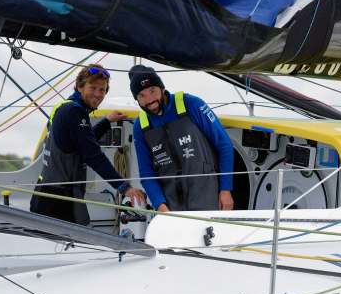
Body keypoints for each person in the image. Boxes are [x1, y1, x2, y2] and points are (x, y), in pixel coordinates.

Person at [30, 65, 146, 225]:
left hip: (45, 194)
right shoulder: (75, 112)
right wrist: (124, 188)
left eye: (102, 90)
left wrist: (106, 121)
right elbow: (93, 155)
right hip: (60, 201)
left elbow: (83, 141)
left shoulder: (64, 107)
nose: (97, 94)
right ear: (79, 87)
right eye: (93, 88)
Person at [130, 65, 234, 212]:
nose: (150, 100)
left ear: (162, 89)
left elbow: (224, 145)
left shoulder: (191, 104)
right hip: (170, 204)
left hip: (207, 196)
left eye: (152, 91)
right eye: (142, 96)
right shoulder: (140, 126)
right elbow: (146, 172)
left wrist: (225, 190)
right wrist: (160, 205)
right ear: (137, 99)